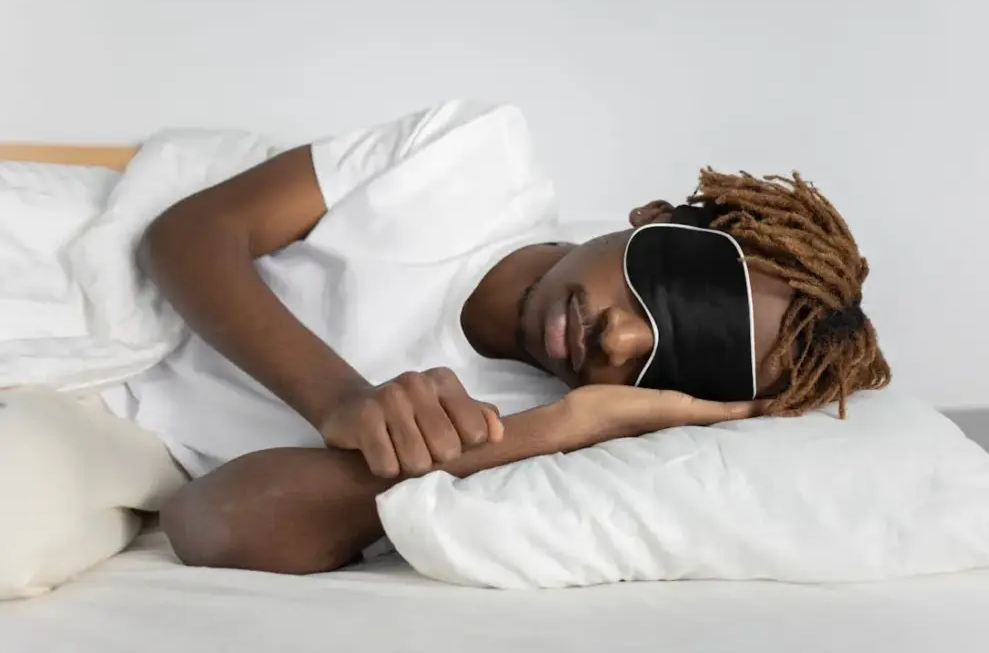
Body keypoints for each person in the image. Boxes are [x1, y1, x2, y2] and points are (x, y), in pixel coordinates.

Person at [0, 102, 889, 594]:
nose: (619, 336)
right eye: (665, 289)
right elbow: (187, 233)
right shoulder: (472, 160)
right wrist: (342, 401)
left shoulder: (520, 436)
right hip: (92, 285)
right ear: (653, 217)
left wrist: (549, 433)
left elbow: (206, 521)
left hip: (116, 434)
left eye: (671, 357)